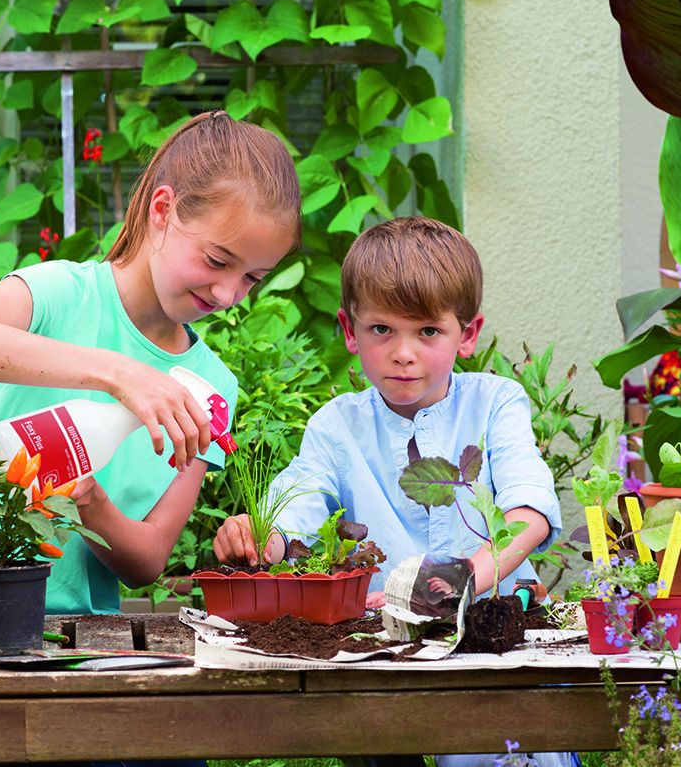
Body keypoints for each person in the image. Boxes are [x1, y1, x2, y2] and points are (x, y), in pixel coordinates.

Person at [0, 110, 300, 618]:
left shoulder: (209, 388)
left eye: (252, 278)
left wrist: (88, 501)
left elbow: (147, 561)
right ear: (163, 210)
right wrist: (117, 373)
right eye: (217, 261)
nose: (228, 294)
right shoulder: (60, 295)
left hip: (83, 640)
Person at [212, 216, 575, 767]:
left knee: (491, 750)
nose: (404, 352)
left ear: (467, 334)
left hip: (491, 635)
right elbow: (298, 505)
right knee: (376, 734)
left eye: (428, 331)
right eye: (382, 329)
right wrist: (263, 538)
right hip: (384, 647)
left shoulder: (495, 403)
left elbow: (529, 513)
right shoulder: (338, 426)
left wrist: (463, 580)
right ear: (350, 330)